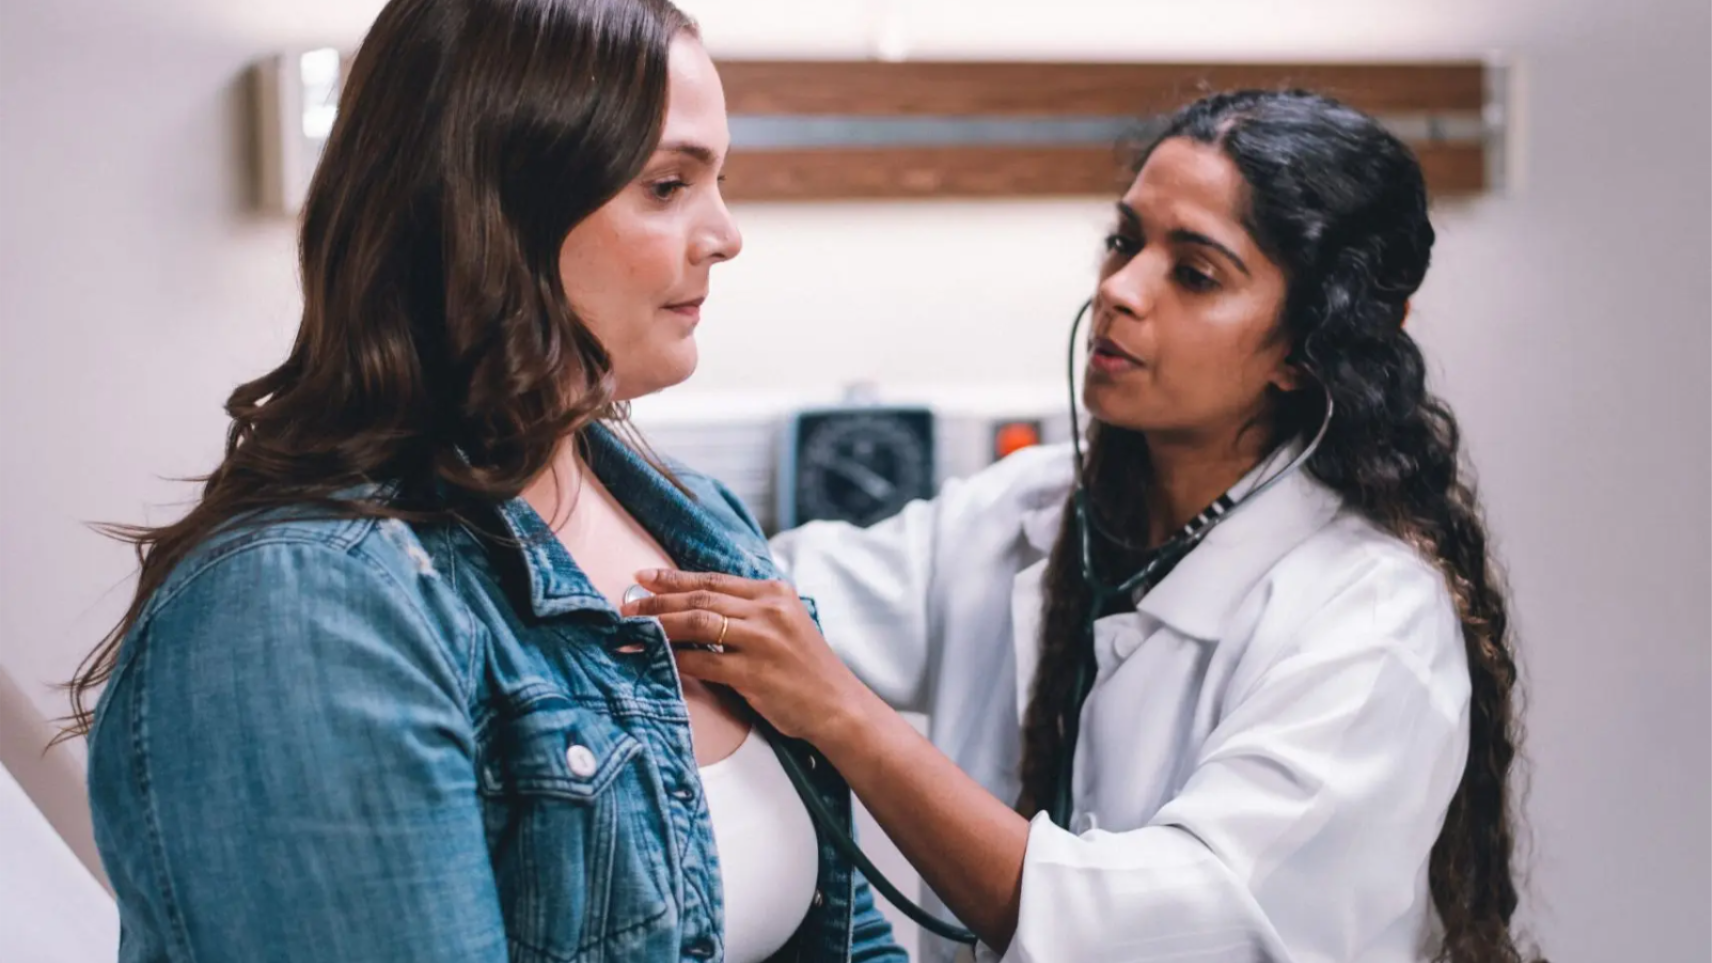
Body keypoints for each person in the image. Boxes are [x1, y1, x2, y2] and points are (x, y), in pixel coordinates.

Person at [67, 1, 905, 960]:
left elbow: (846, 937)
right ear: (498, 210)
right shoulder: (302, 604)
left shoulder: (699, 525)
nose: (725, 234)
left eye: (720, 180)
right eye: (668, 185)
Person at [627, 90, 1543, 963]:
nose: (1122, 290)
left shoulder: (1372, 624)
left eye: (1194, 272)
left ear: (1311, 348)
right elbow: (774, 593)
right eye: (1124, 239)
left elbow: (1145, 932)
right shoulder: (1026, 511)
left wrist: (845, 716)